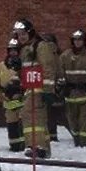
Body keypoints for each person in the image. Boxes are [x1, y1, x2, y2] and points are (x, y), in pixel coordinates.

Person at [13, 18, 59, 159]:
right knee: (35, 118)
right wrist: (17, 69)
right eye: (18, 35)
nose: (21, 37)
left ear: (30, 32)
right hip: (29, 88)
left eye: (23, 34)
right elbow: (26, 73)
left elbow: (48, 68)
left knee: (31, 116)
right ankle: (42, 147)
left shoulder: (41, 46)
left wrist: (48, 90)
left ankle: (36, 146)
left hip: (39, 89)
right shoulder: (25, 50)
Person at [0, 38, 25, 152]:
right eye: (11, 50)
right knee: (12, 124)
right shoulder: (2, 66)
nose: (13, 53)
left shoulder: (24, 64)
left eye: (15, 50)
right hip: (9, 101)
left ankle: (26, 144)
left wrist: (20, 89)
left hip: (23, 100)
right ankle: (15, 145)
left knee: (24, 124)